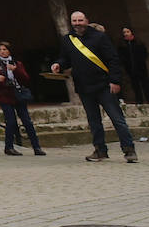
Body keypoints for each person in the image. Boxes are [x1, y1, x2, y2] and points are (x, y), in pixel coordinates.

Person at [51, 11, 138, 163]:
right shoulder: (68, 40)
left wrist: (115, 81)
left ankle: (129, 150)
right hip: (84, 88)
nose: (77, 23)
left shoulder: (100, 37)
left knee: (117, 119)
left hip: (104, 86)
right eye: (74, 21)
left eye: (80, 20)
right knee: (93, 121)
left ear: (86, 20)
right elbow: (65, 58)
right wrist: (59, 64)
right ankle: (100, 150)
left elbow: (113, 60)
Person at [0, 43, 44, 156]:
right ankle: (9, 147)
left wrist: (15, 70)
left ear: (9, 51)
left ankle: (36, 147)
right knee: (11, 121)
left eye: (4, 49)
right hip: (5, 96)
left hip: (18, 95)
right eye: (0, 49)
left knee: (27, 121)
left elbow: (26, 78)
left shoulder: (17, 63)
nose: (2, 51)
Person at [121, 27, 149, 105]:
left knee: (145, 85)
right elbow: (122, 57)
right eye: (124, 32)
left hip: (141, 68)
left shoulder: (139, 43)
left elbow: (144, 54)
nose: (126, 34)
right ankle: (139, 101)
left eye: (127, 31)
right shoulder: (122, 45)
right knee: (135, 86)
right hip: (131, 69)